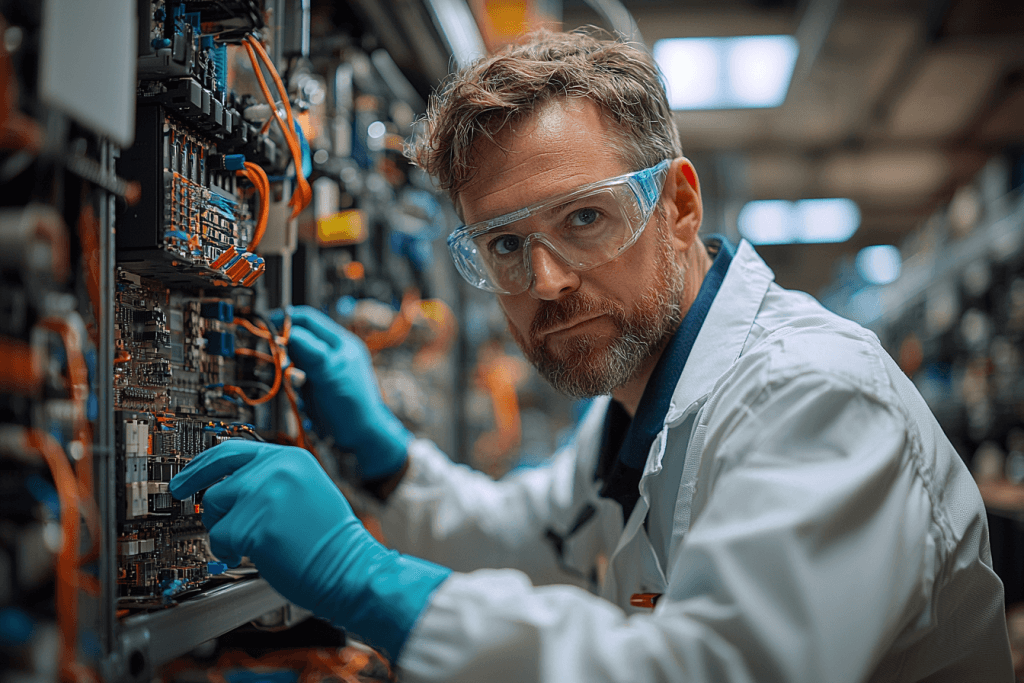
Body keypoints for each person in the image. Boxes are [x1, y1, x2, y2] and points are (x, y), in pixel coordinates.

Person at [170, 30, 1013, 682]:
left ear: (679, 206)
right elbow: (527, 537)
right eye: (502, 245)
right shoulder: (640, 405)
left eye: (583, 220)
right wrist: (390, 463)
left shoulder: (815, 398)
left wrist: (367, 581)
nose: (545, 281)